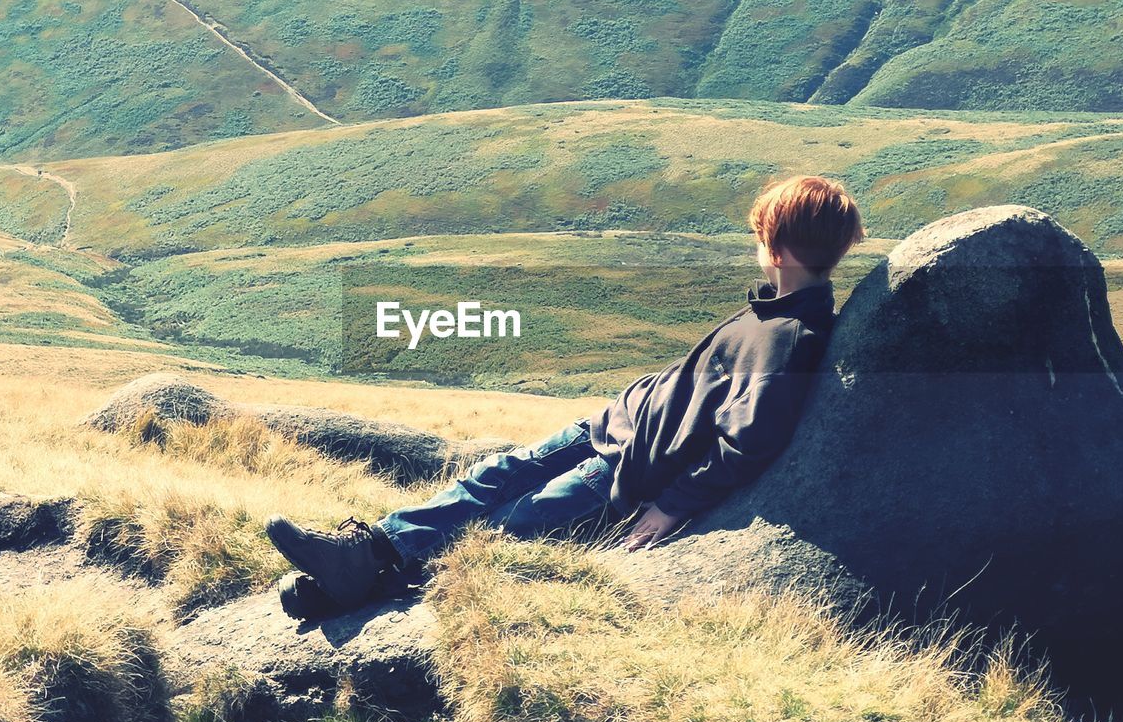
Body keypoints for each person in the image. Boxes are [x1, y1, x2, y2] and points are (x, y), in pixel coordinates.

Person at [266, 175, 865, 617]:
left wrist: (672, 505)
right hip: (608, 428)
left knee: (510, 528)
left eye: (762, 237)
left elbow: (749, 443)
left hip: (625, 471)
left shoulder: (791, 337)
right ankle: (371, 549)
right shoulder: (773, 312)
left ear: (777, 248)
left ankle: (356, 587)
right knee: (489, 479)